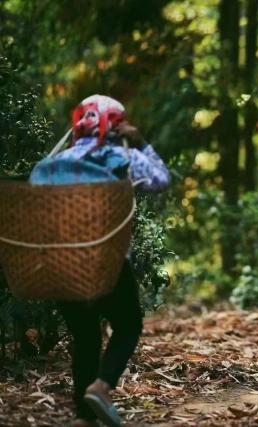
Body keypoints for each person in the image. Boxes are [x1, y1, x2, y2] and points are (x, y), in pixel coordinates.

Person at [33, 95, 170, 427]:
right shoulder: (121, 157)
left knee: (85, 336)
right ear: (115, 125)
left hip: (60, 262)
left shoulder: (54, 163)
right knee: (128, 324)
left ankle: (84, 416)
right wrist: (140, 141)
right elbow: (160, 179)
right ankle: (102, 386)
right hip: (106, 260)